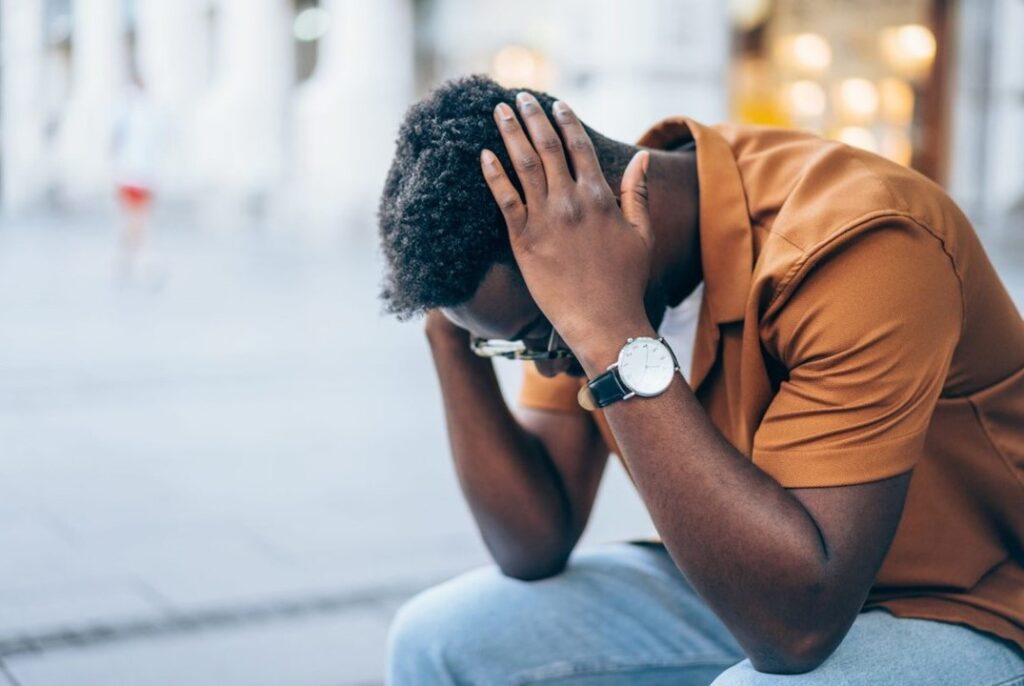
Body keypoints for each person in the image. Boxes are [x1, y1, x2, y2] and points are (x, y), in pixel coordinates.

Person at [377, 75, 1024, 685]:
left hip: (969, 606)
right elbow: (533, 540)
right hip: (748, 584)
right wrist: (453, 329)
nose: (546, 367)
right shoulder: (565, 265)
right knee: (436, 639)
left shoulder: (859, 242)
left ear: (598, 213)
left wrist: (610, 335)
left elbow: (795, 632)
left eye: (542, 340)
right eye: (513, 348)